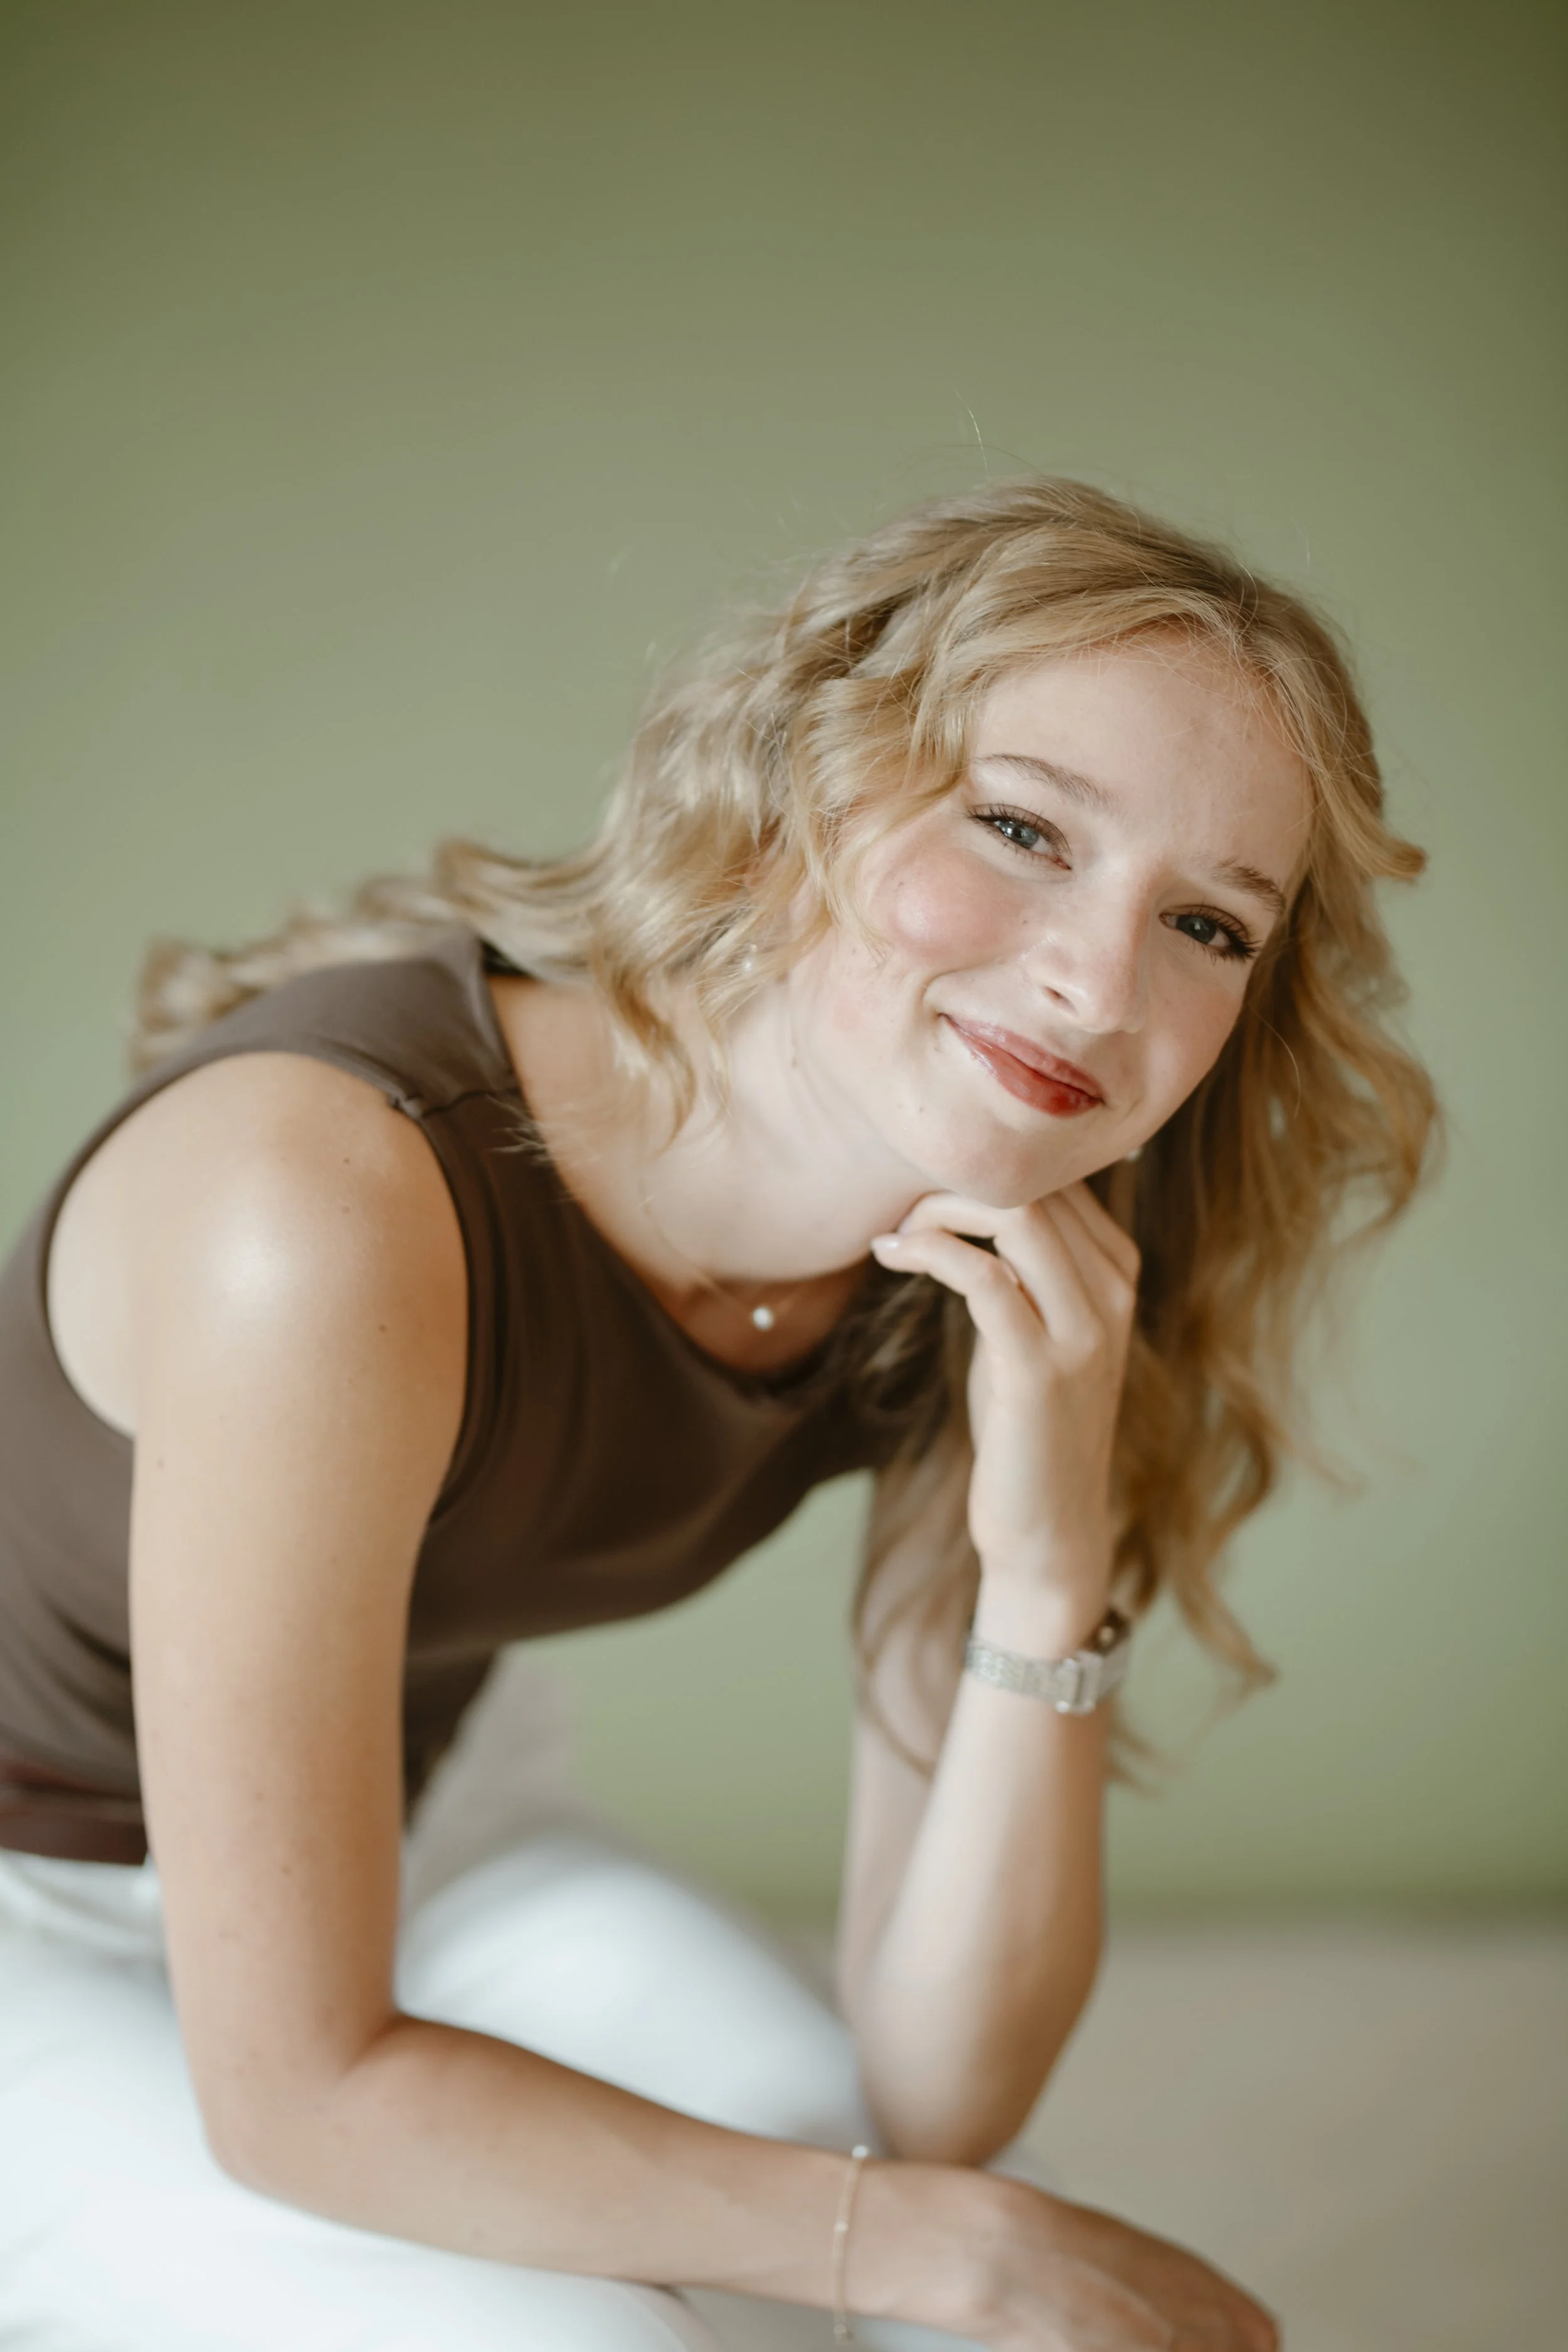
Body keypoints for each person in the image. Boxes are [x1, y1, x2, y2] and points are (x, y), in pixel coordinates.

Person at [0, 478, 1435, 2350]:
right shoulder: (323, 1201)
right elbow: (299, 2089)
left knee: (835, 2174)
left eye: (1207, 925)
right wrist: (949, 2243)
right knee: (647, 2322)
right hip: (36, 1897)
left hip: (415, 1801)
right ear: (802, 790)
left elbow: (939, 2090)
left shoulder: (993, 1256)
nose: (1098, 977)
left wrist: (1043, 1553)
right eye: (1019, 828)